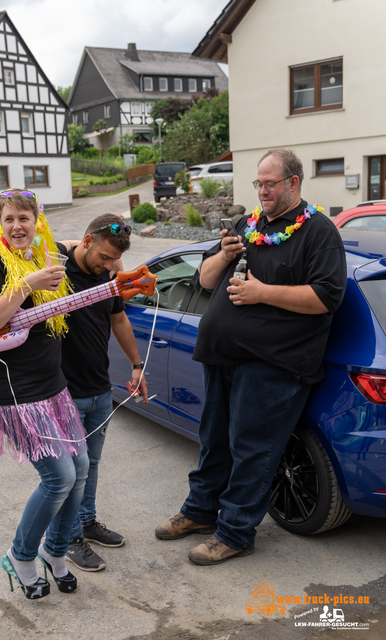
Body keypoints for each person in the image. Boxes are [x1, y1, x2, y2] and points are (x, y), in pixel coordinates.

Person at [155, 149, 347, 565]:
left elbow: (327, 297)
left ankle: (236, 533)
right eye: (258, 183)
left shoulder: (319, 233)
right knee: (214, 440)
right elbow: (205, 280)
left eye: (270, 184)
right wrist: (223, 255)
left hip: (274, 363)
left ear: (293, 183)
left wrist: (262, 293)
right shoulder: (249, 225)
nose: (262, 191)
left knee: (252, 449)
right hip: (224, 356)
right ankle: (200, 512)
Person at [0, 213, 148, 573]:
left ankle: (79, 528)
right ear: (85, 243)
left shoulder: (102, 274)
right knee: (61, 477)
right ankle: (51, 546)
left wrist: (136, 363)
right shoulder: (48, 266)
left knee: (86, 466)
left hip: (89, 387)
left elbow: (119, 319)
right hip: (51, 391)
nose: (110, 266)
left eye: (115, 261)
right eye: (105, 258)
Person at [0, 188, 89, 599]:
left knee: (81, 470)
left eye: (25, 218)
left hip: (52, 388)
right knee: (58, 479)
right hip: (13, 394)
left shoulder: (48, 251)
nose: (17, 226)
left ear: (37, 222)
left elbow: (86, 247)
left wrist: (112, 250)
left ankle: (55, 554)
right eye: (9, 219)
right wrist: (25, 284)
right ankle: (21, 555)